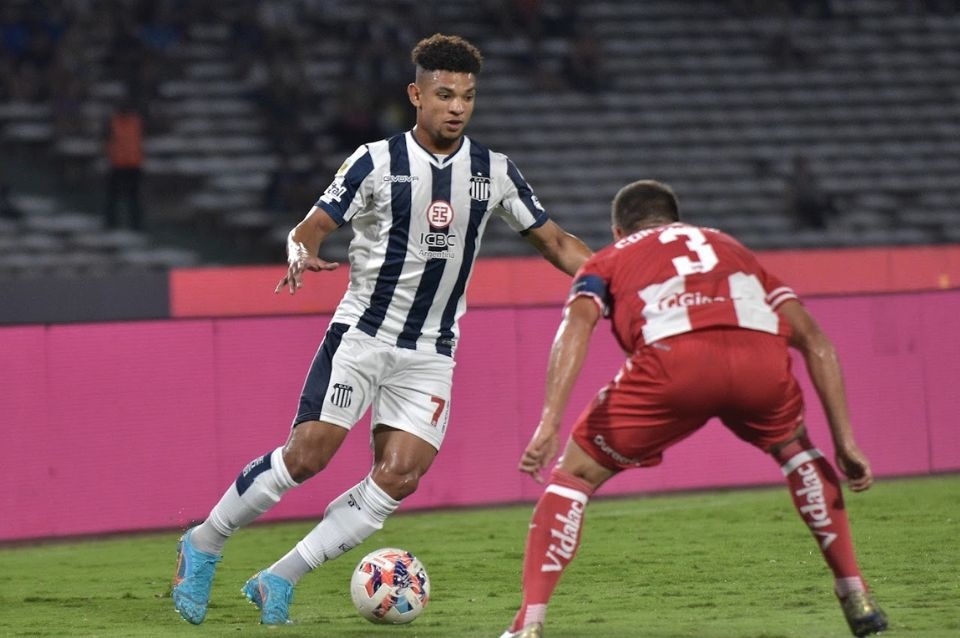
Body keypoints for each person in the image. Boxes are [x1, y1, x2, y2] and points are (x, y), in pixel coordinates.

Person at [171, 33, 592, 626]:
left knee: (400, 476)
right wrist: (300, 250)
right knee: (307, 457)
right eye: (444, 95)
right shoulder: (375, 161)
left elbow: (556, 242)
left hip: (432, 351)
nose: (457, 107)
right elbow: (312, 226)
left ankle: (279, 577)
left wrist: (613, 274)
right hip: (363, 336)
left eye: (467, 96)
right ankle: (205, 541)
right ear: (416, 95)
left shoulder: (493, 171)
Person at [499, 180, 888, 638]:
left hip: (673, 366)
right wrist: (845, 442)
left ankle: (528, 624)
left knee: (575, 477)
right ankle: (855, 592)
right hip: (760, 363)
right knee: (797, 451)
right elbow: (816, 342)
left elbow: (576, 324)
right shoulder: (732, 248)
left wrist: (549, 422)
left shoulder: (609, 257)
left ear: (618, 230)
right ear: (675, 220)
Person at [103, 96, 145, 230]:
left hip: (132, 164)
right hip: (119, 164)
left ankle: (135, 225)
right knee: (114, 197)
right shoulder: (113, 122)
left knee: (132, 198)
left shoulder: (137, 122)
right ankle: (112, 224)